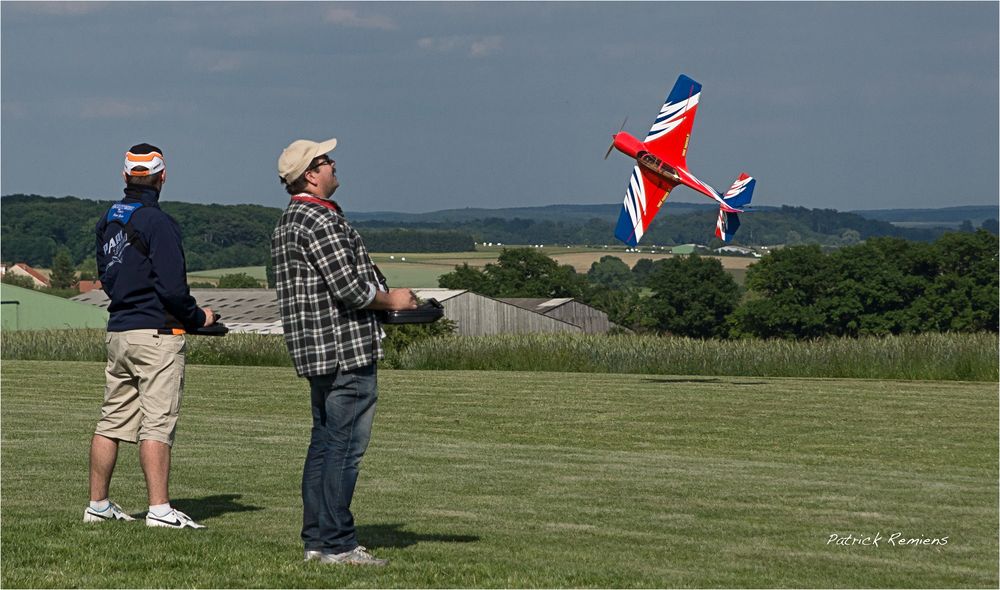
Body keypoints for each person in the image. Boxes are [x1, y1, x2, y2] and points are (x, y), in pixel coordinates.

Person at [271, 137, 417, 566]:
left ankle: (317, 541)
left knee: (324, 445)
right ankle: (338, 544)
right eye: (325, 160)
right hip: (344, 352)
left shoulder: (288, 221)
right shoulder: (321, 221)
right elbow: (351, 288)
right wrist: (395, 301)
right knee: (344, 450)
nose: (334, 164)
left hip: (316, 352)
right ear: (310, 175)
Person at [85, 143, 215, 529]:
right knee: (157, 423)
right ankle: (159, 510)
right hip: (157, 333)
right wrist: (198, 317)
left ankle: (99, 505)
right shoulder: (159, 223)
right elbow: (174, 289)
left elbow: (107, 276)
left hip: (119, 330)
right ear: (162, 177)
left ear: (125, 176)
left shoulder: (108, 219)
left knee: (111, 422)